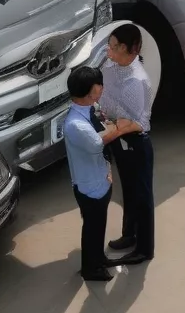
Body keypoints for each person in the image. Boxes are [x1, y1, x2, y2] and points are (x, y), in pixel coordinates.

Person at [63, 64, 133, 282]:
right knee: (92, 228)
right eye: (99, 85)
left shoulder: (89, 110)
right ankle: (90, 269)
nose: (102, 88)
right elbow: (96, 144)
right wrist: (120, 129)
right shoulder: (75, 124)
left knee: (98, 225)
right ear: (91, 90)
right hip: (90, 186)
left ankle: (98, 258)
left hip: (100, 178)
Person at [99, 24, 154, 265]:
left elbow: (135, 122)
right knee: (129, 192)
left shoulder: (136, 80)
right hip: (118, 137)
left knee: (141, 196)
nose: (108, 51)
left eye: (112, 47)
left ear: (124, 48)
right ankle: (129, 234)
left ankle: (144, 247)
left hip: (134, 142)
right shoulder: (111, 66)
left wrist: (105, 131)